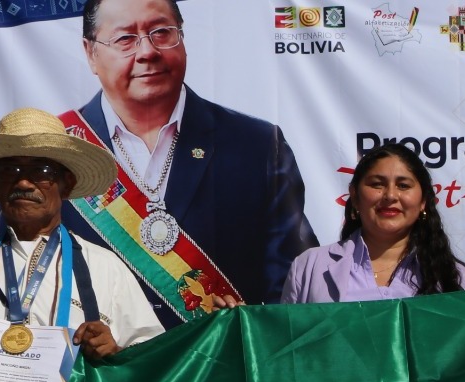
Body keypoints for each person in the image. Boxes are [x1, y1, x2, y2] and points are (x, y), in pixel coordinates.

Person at [60, 0, 317, 327]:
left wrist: (249, 327)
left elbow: (294, 286)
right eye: (125, 39)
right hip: (94, 372)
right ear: (90, 52)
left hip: (220, 368)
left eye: (161, 33)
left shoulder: (257, 145)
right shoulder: (56, 152)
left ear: (182, 38)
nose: (147, 52)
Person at [0, 108, 162, 374]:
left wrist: (114, 352)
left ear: (66, 184)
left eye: (41, 170)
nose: (23, 181)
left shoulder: (104, 266)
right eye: (10, 169)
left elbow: (151, 359)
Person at [281, 143, 465, 303]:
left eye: (403, 186)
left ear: (423, 201)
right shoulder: (309, 266)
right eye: (377, 184)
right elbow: (287, 343)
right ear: (355, 196)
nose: (390, 195)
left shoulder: (451, 276)